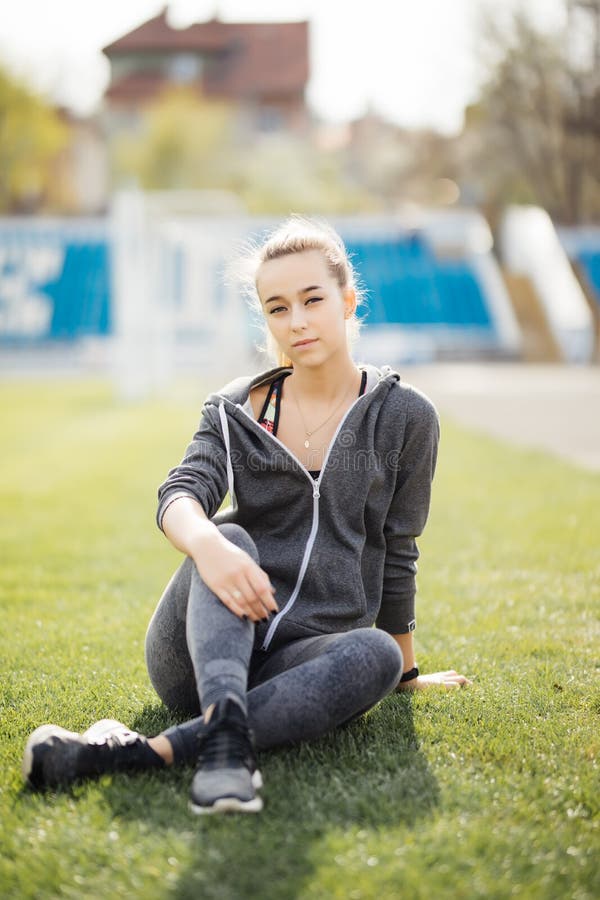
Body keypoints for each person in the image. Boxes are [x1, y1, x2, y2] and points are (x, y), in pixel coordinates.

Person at [22, 216, 470, 814]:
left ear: (347, 299)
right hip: (197, 649)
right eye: (277, 308)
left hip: (300, 661)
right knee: (227, 528)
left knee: (378, 657)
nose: (298, 321)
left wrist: (408, 675)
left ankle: (146, 753)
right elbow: (180, 493)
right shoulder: (235, 409)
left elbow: (399, 546)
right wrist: (208, 546)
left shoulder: (405, 417)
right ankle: (220, 736)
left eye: (313, 299)